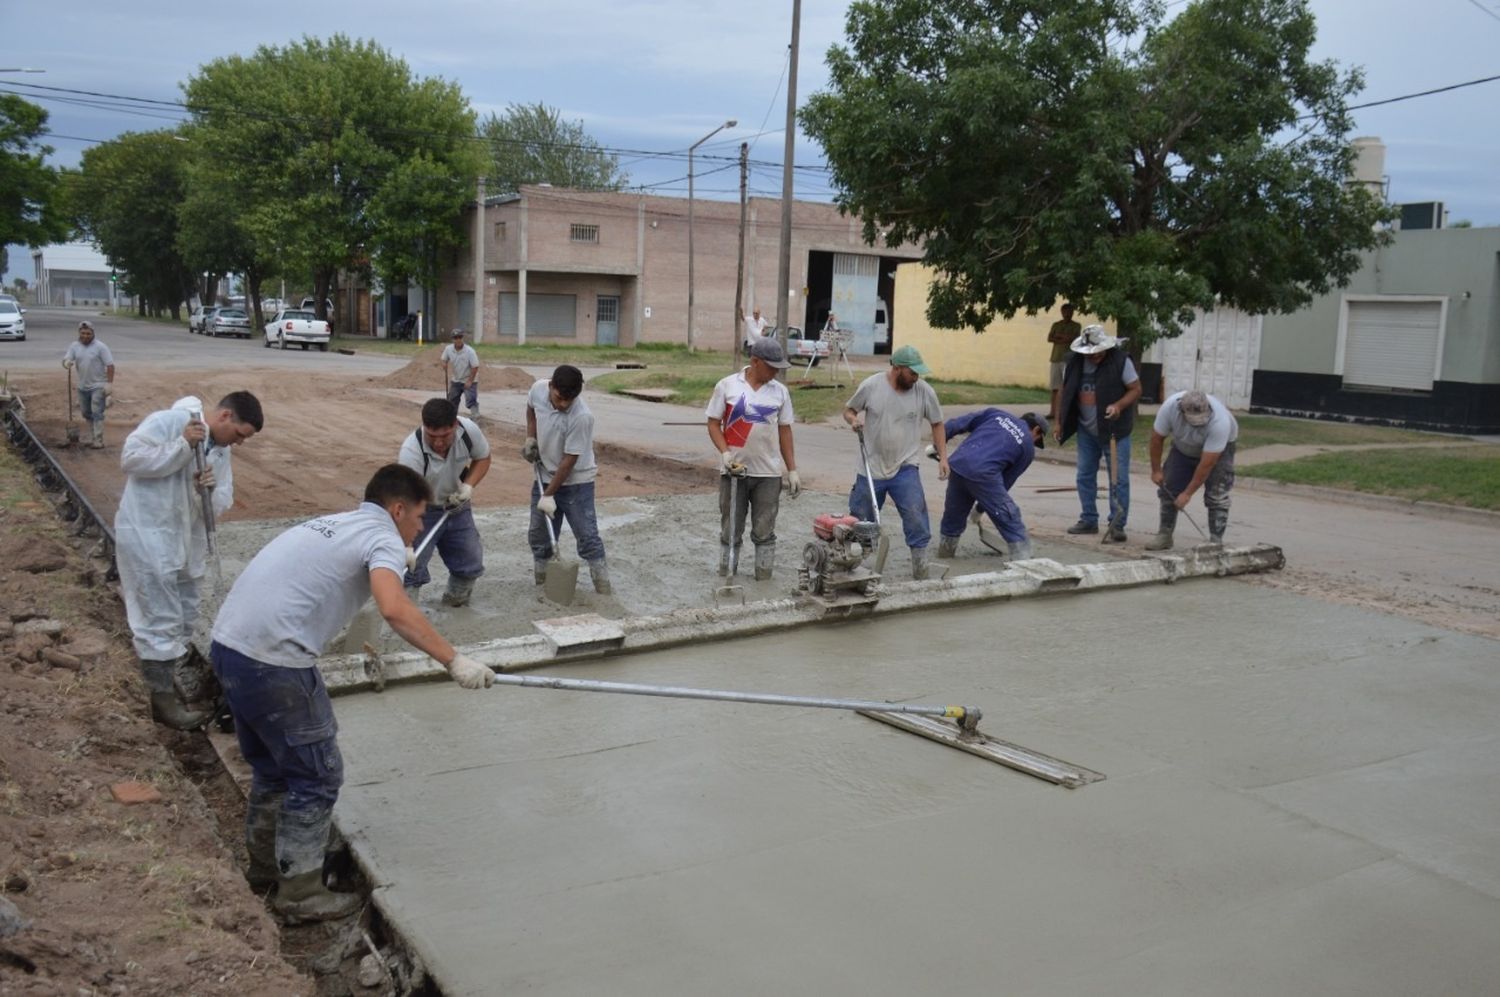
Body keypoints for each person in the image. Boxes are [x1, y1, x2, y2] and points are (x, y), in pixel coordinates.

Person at [209, 464, 494, 924]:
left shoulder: (338, 523)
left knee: (273, 769)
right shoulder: (380, 536)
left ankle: (265, 870)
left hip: (230, 649)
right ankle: (300, 894)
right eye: (418, 518)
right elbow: (395, 608)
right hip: (275, 662)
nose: (420, 528)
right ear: (397, 509)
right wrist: (453, 660)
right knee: (316, 776)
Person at [115, 392, 263, 730]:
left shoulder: (221, 452)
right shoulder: (169, 422)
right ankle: (161, 700)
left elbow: (222, 498)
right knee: (157, 615)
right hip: (148, 533)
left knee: (183, 613)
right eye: (240, 434)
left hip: (184, 542)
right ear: (225, 416)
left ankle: (167, 679)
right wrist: (181, 447)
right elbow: (131, 459)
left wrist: (206, 492)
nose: (239, 443)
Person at [843, 345, 948, 580]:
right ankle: (856, 571)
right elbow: (849, 410)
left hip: (905, 466)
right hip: (870, 466)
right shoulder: (872, 386)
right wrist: (853, 420)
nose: (917, 377)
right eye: (913, 372)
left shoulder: (924, 391)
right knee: (861, 521)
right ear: (897, 368)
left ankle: (920, 571)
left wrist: (943, 458)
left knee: (916, 515)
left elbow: (938, 423)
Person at [706, 337, 800, 580]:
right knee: (730, 528)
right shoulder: (727, 386)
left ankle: (763, 578)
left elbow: (785, 431)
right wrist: (725, 453)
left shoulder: (780, 392)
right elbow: (714, 423)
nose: (776, 372)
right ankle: (727, 574)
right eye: (771, 367)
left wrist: (792, 470)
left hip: (768, 474)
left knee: (765, 530)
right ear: (755, 361)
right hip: (734, 472)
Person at [524, 364, 612, 594]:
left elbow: (568, 461)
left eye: (569, 400)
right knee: (539, 535)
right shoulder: (537, 389)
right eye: (559, 397)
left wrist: (549, 494)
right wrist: (530, 438)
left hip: (576, 483)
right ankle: (542, 584)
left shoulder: (582, 417)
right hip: (544, 474)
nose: (563, 404)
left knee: (587, 536)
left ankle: (603, 589)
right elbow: (531, 408)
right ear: (551, 386)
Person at [398, 397, 491, 607]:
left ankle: (455, 603)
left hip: (456, 504)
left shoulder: (468, 431)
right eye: (432, 436)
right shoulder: (411, 453)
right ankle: (406, 614)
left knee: (470, 560)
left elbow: (483, 457)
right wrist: (407, 544)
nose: (438, 443)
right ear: (424, 427)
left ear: (455, 426)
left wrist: (468, 486)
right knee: (411, 568)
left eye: (445, 436)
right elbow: (405, 503)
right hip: (420, 510)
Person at [1055, 324, 1141, 543]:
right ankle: (1089, 519)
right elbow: (1064, 392)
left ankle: (1117, 524)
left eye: (1098, 354)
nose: (1095, 358)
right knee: (1084, 475)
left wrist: (1119, 406)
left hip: (1115, 431)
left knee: (1118, 479)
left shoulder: (1121, 361)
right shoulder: (1073, 363)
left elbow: (1136, 389)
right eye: (1090, 355)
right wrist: (1060, 422)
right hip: (1086, 430)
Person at [935, 409, 1048, 560]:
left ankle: (945, 553)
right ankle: (1023, 559)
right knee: (1010, 515)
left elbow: (956, 424)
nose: (1034, 442)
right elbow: (1005, 482)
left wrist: (938, 448)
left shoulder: (996, 414)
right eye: (1037, 439)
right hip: (984, 474)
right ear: (1036, 430)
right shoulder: (1027, 446)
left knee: (953, 515)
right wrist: (980, 509)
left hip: (957, 465)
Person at [1146, 389, 1239, 549]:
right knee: (1169, 488)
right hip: (1182, 446)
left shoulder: (1220, 422)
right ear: (1181, 411)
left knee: (1217, 494)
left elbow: (1206, 464)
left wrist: (1187, 494)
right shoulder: (1169, 408)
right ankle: (1165, 535)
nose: (1198, 424)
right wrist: (1156, 470)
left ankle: (1215, 541)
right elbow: (1156, 439)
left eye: (1201, 420)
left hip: (1219, 451)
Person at [61, 321, 115, 449]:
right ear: (79, 333)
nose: (85, 336)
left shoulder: (101, 347)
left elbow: (110, 366)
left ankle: (98, 440)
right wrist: (67, 363)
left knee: (97, 411)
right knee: (86, 413)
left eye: (88, 333)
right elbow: (66, 359)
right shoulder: (74, 346)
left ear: (93, 333)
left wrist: (109, 384)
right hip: (83, 386)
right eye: (83, 333)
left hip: (98, 385)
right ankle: (93, 435)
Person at [1045, 303, 1080, 422]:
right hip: (1055, 358)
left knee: (1066, 387)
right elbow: (1050, 338)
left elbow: (1074, 338)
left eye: (1070, 312)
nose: (1067, 314)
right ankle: (1052, 412)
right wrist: (1063, 337)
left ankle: (1064, 412)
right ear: (1062, 312)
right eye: (1065, 312)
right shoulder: (1056, 324)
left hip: (1068, 360)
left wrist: (1060, 336)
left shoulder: (1076, 326)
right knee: (1054, 387)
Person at [439, 328, 481, 418]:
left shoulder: (470, 351)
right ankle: (451, 417)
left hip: (469, 379)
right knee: (452, 399)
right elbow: (443, 359)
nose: (458, 340)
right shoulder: (448, 349)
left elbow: (475, 366)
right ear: (452, 339)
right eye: (455, 338)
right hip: (456, 379)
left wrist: (470, 381)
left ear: (463, 338)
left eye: (460, 337)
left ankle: (476, 415)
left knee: (471, 399)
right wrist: (444, 364)